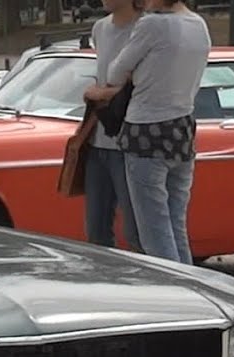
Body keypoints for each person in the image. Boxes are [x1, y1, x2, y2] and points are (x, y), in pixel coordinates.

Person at [84, 0, 209, 265]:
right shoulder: (198, 25)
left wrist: (133, 73)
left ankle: (170, 287)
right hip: (182, 128)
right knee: (175, 226)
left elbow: (114, 73)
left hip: (146, 132)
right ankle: (189, 284)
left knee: (153, 235)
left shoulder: (151, 25)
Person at [81, 0, 141, 252]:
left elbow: (142, 84)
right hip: (99, 138)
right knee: (96, 229)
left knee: (136, 230)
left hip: (132, 141)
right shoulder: (100, 28)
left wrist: (101, 94)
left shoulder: (145, 28)